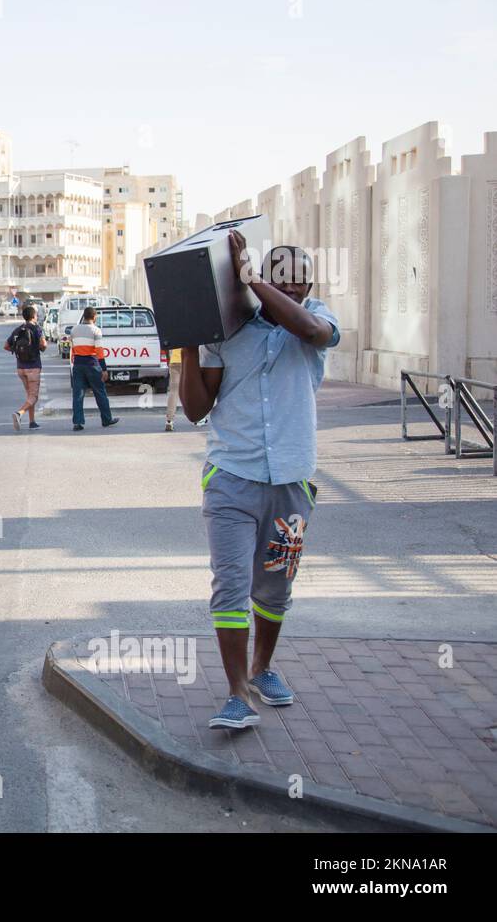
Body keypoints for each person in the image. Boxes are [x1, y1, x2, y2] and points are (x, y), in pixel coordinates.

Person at [178, 235, 339, 730]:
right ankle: (236, 694)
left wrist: (255, 281)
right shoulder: (227, 331)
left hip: (292, 481)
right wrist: (187, 338)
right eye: (279, 271)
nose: (291, 280)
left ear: (309, 282)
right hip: (231, 477)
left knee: (274, 589)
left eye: (298, 274)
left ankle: (263, 668)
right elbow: (195, 409)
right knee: (230, 588)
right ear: (263, 271)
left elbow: (307, 327)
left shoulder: (319, 321)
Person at [69, 306, 119, 432]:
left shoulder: (74, 330)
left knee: (78, 395)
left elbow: (73, 348)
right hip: (92, 364)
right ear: (94, 317)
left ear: (84, 316)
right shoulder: (96, 331)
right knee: (100, 392)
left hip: (78, 365)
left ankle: (78, 423)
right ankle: (106, 419)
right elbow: (99, 352)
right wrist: (104, 369)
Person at [4, 304, 47, 430]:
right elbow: (43, 345)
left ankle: (32, 422)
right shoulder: (37, 329)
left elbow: (6, 346)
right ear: (34, 316)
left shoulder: (18, 330)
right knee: (34, 397)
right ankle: (19, 413)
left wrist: (18, 351)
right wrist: (39, 348)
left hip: (20, 368)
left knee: (29, 395)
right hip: (33, 367)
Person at [165, 347, 182, 431]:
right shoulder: (191, 333)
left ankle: (169, 420)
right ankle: (198, 418)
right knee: (191, 390)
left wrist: (169, 360)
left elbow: (166, 346)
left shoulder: (174, 333)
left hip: (174, 361)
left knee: (174, 392)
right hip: (188, 361)